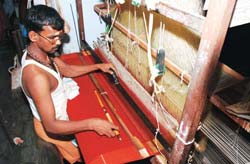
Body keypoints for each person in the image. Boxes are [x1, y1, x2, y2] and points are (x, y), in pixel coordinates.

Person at [20, 4, 119, 164]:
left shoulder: (41, 53)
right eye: (53, 38)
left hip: (60, 116)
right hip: (56, 129)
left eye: (59, 36)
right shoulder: (36, 76)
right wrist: (92, 124)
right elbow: (51, 125)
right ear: (33, 36)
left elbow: (66, 69)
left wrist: (98, 67)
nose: (58, 42)